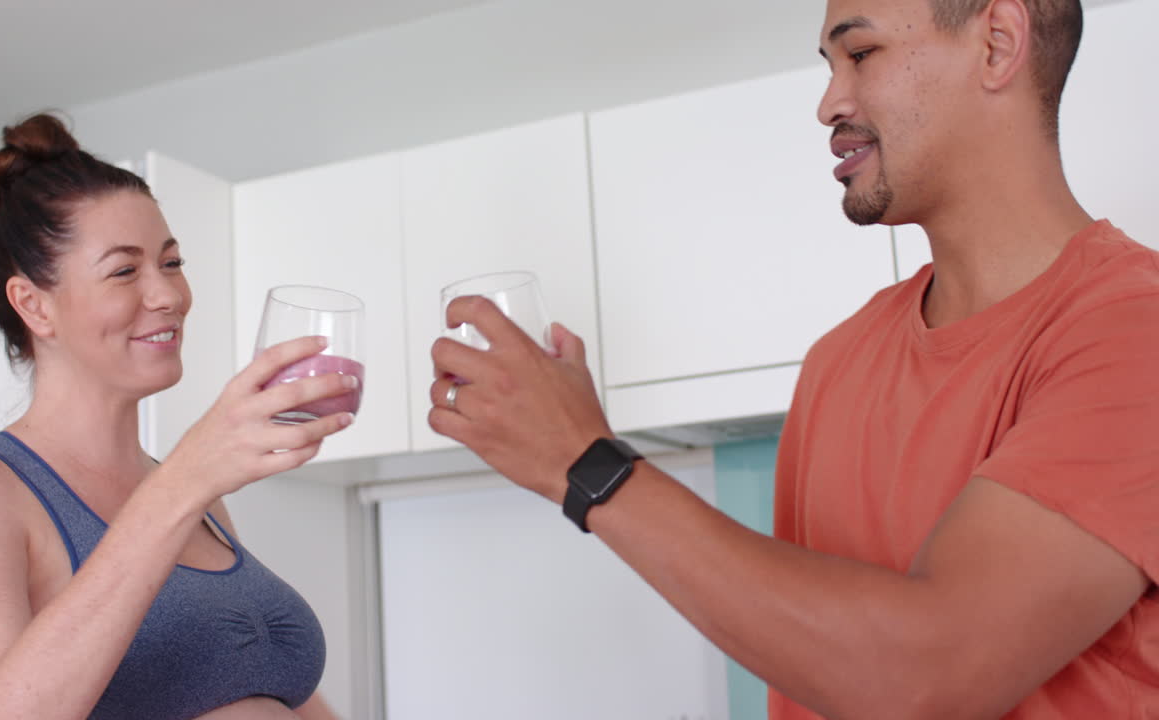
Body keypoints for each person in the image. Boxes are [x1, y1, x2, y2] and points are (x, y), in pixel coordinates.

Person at [428, 0, 1158, 717]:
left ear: (997, 43)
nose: (829, 102)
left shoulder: (1135, 329)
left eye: (861, 53)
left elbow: (925, 675)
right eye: (829, 65)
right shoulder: (838, 365)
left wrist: (587, 464)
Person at [0, 113, 354, 720]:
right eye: (125, 270)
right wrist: (183, 482)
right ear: (33, 305)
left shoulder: (195, 496)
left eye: (171, 263)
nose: (169, 295)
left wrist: (185, 484)